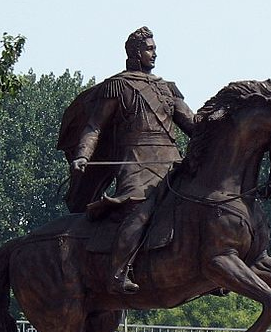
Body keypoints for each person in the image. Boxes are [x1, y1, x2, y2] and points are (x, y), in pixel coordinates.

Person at [57, 26, 197, 294]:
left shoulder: (166, 88)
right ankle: (118, 271)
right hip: (136, 163)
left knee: (197, 203)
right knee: (139, 210)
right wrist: (82, 155)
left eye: (155, 48)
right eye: (149, 49)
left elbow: (192, 126)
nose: (154, 54)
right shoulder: (118, 86)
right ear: (135, 52)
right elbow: (94, 126)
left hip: (172, 161)